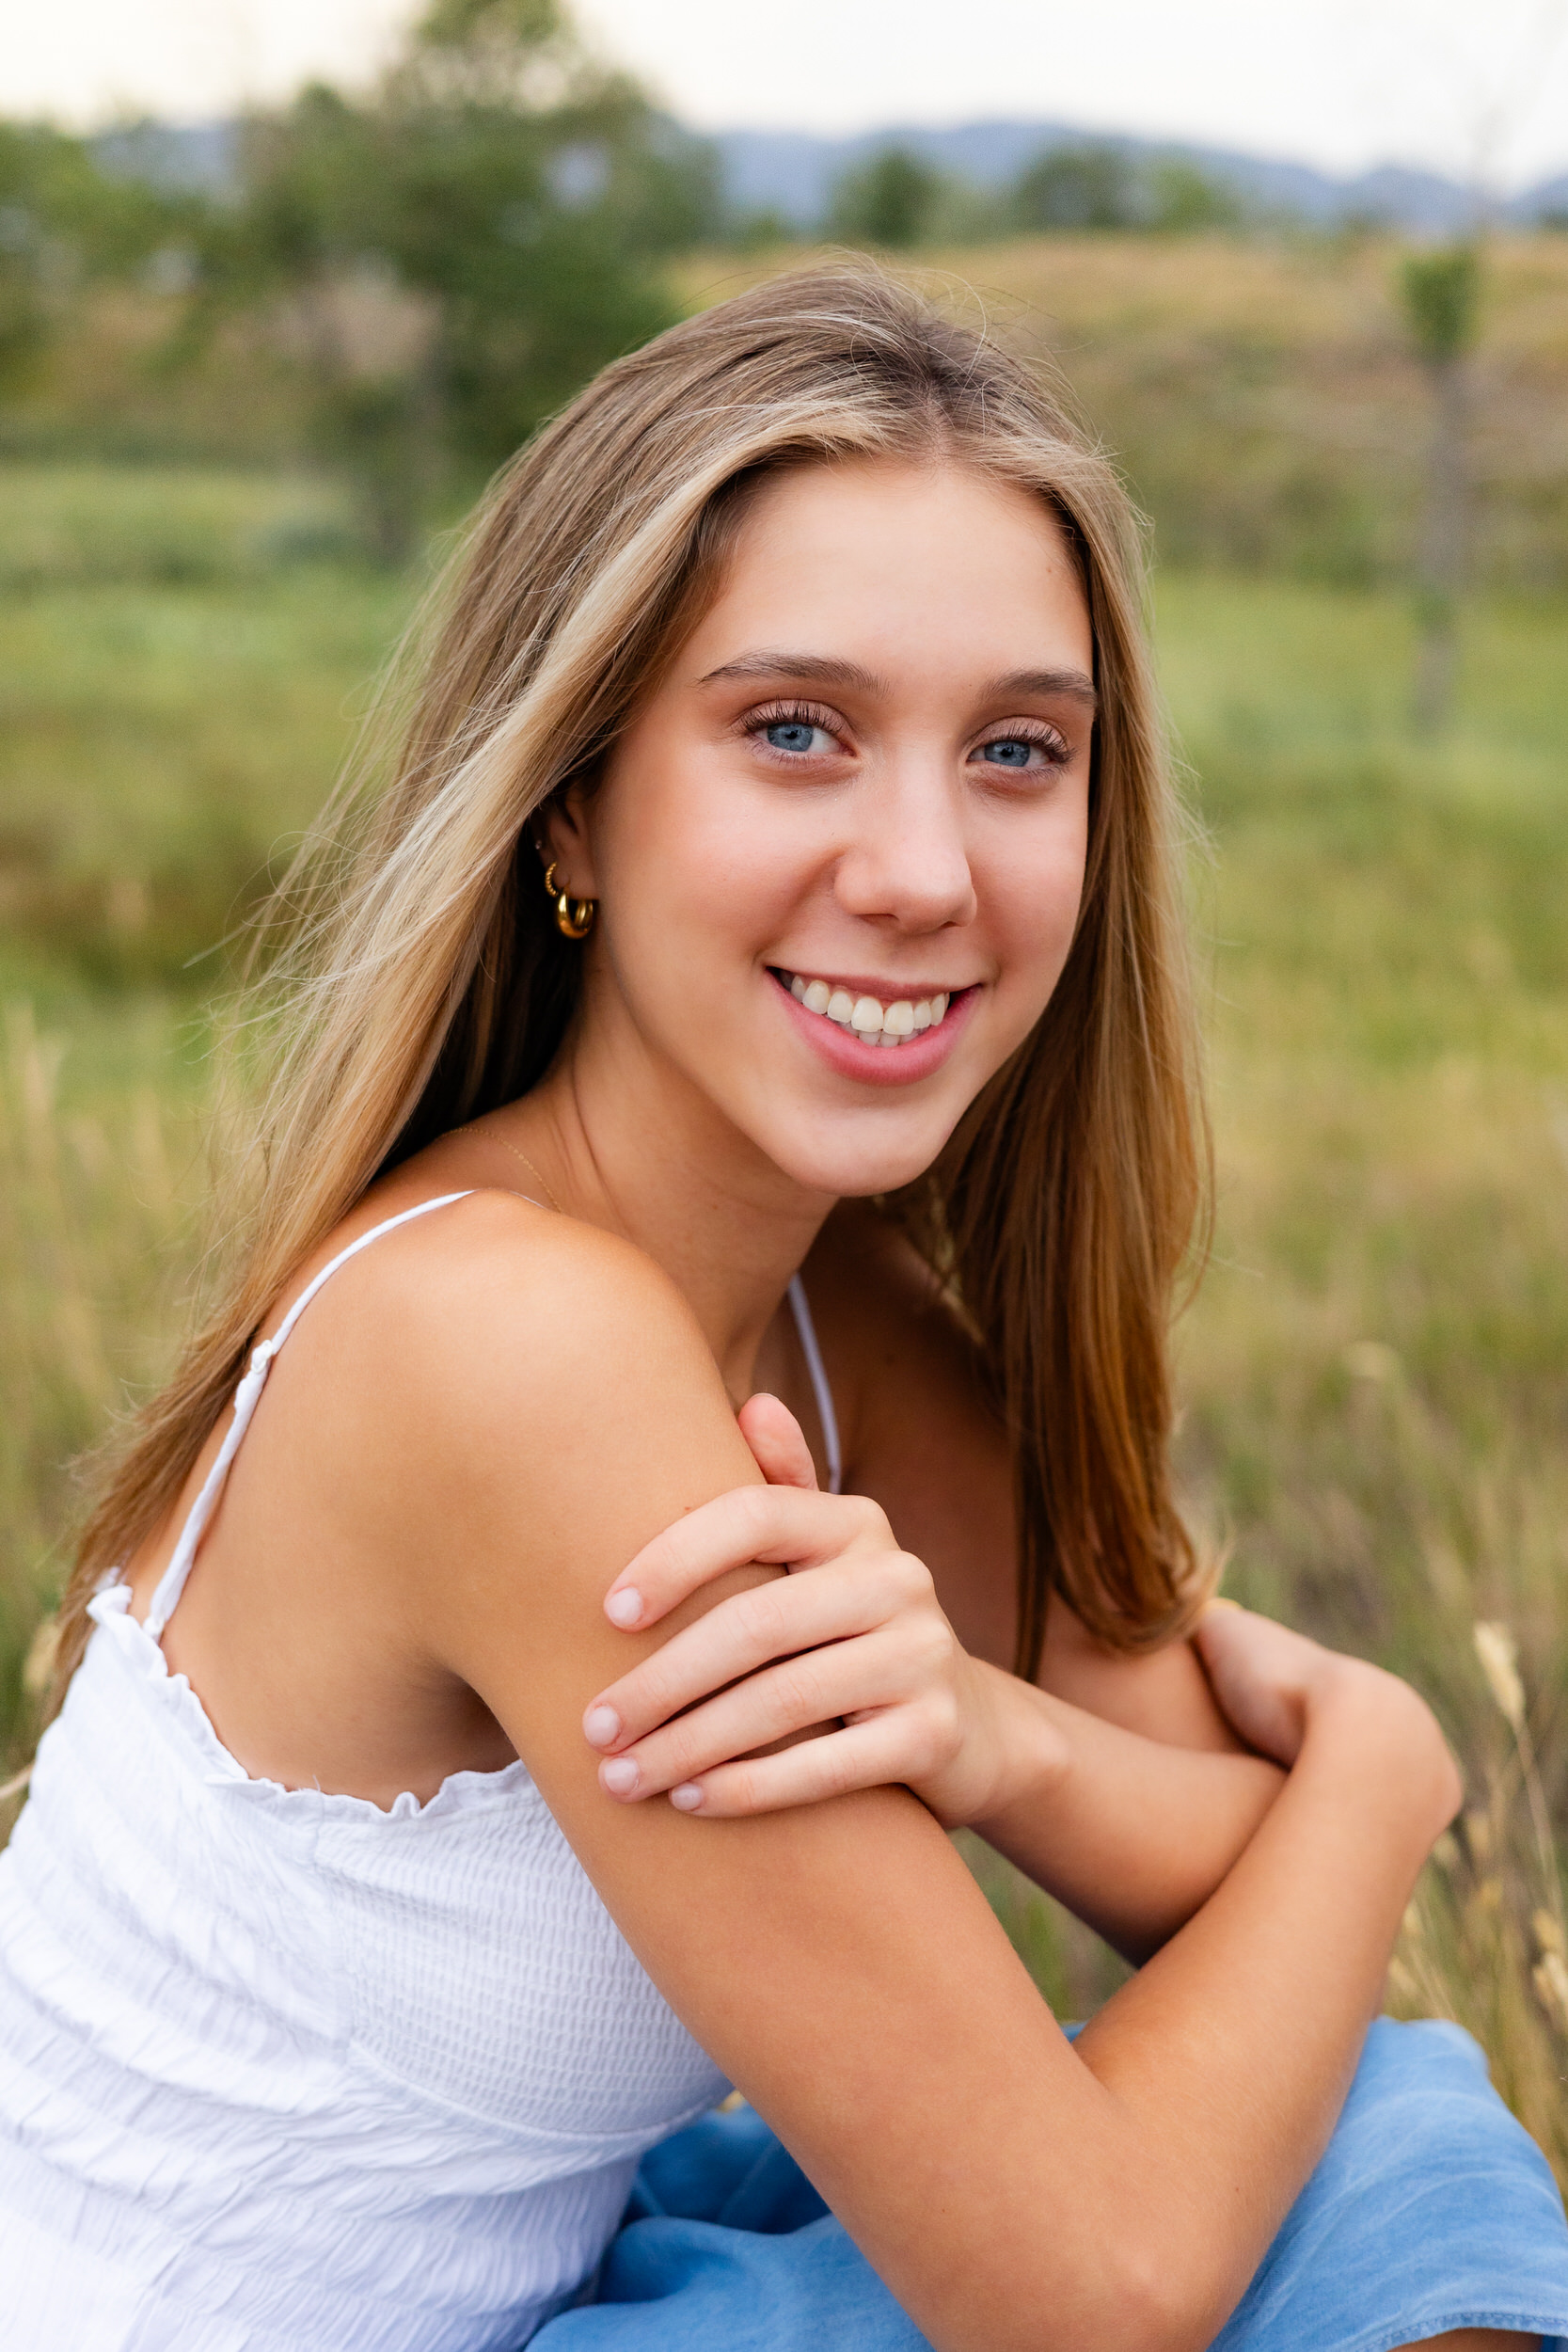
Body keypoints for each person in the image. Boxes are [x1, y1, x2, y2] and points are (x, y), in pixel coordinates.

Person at [1, 265, 1565, 2352]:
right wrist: (1387, 1755)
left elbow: (1215, 1871)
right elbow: (1085, 2286)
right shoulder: (507, 1342)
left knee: (1386, 2134)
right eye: (795, 730)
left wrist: (1000, 1738)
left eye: (1021, 748)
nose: (924, 868)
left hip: (541, 2296)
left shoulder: (842, 1306)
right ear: (574, 796)